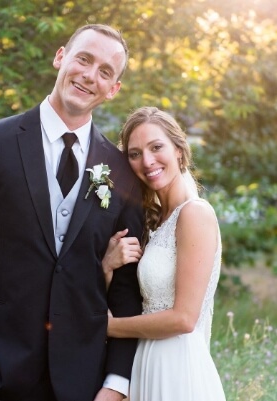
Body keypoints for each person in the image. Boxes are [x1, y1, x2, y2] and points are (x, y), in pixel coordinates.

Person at [0, 24, 144, 401]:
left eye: (105, 72)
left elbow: (127, 287)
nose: (90, 75)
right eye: (84, 59)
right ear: (61, 57)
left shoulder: (121, 169)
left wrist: (116, 382)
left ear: (114, 89)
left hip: (84, 380)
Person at [102, 107, 226, 400]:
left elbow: (184, 318)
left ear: (179, 151)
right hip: (147, 364)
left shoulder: (195, 214)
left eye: (156, 147)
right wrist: (107, 265)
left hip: (178, 370)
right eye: (134, 154)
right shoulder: (156, 220)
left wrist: (109, 327)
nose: (147, 161)